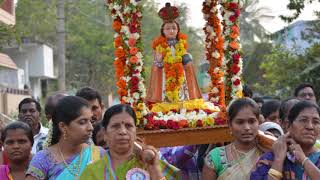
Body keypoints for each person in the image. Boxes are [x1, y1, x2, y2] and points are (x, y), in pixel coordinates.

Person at [80, 104, 181, 179]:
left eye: (128, 126)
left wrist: (154, 168)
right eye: (115, 126)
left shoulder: (150, 162)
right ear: (105, 134)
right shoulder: (92, 172)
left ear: (135, 132)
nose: (123, 132)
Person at [26, 96, 105, 180]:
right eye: (82, 122)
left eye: (90, 121)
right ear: (63, 126)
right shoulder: (43, 160)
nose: (90, 128)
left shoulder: (98, 154)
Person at [146, 2, 202, 103]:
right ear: (163, 31)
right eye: (168, 28)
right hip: (165, 76)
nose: (171, 31)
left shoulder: (181, 44)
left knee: (182, 100)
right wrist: (159, 61)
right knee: (165, 101)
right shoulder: (159, 46)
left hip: (180, 75)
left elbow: (185, 60)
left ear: (177, 31)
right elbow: (156, 66)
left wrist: (188, 58)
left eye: (174, 28)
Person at [250, 101, 320, 179]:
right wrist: (279, 159)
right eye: (303, 120)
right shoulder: (271, 157)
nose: (310, 126)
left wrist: (303, 159)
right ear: (288, 125)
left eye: (316, 122)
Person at [202, 98, 264, 180]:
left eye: (252, 121)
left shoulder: (268, 152)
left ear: (258, 122)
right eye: (240, 122)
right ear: (230, 125)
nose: (247, 127)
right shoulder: (215, 157)